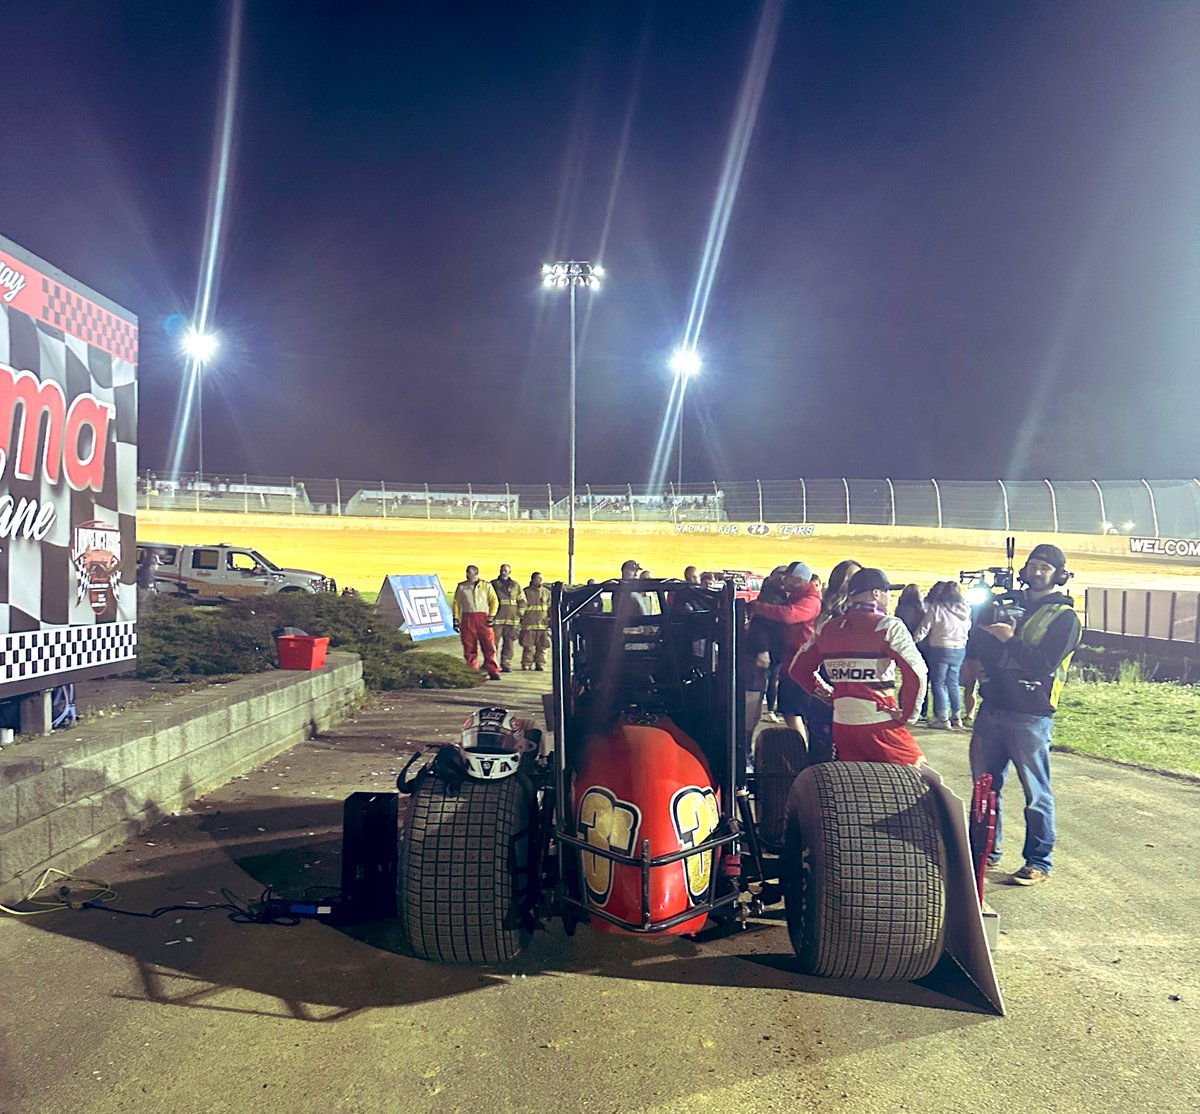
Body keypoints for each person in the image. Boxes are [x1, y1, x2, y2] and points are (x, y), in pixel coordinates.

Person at [966, 543, 1082, 886]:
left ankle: (1038, 861)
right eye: (1033, 564)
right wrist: (980, 662)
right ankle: (983, 853)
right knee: (984, 789)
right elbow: (980, 643)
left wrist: (1009, 639)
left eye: (1045, 567)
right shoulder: (1005, 606)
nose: (1037, 570)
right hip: (993, 708)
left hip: (1031, 715)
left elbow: (1042, 663)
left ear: (1059, 574)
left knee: (1036, 792)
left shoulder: (1065, 618)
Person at [789, 567, 927, 766]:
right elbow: (917, 673)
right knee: (923, 781)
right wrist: (909, 715)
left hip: (842, 724)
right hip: (879, 724)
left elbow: (798, 669)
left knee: (857, 786)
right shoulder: (889, 626)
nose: (889, 598)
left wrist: (826, 694)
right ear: (876, 594)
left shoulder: (827, 628)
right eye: (887, 593)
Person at [747, 561, 821, 742]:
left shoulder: (810, 600)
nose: (784, 581)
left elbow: (789, 615)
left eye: (788, 578)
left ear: (798, 580)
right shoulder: (796, 596)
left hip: (801, 662)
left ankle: (801, 754)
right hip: (791, 661)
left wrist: (758, 607)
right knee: (791, 712)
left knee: (794, 713)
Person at [914, 581, 972, 729]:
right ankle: (956, 716)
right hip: (959, 649)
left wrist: (913, 641)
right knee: (952, 683)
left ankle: (942, 718)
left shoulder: (937, 608)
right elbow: (968, 628)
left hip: (940, 648)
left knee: (939, 683)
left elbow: (924, 628)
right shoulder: (965, 609)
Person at [452, 565, 501, 680]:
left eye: (469, 572)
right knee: (469, 645)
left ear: (476, 573)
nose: (467, 574)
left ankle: (492, 669)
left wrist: (492, 615)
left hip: (483, 617)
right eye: (467, 572)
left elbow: (494, 601)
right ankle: (472, 669)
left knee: (489, 645)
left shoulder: (486, 586)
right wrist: (456, 618)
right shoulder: (462, 587)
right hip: (468, 617)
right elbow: (456, 603)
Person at [490, 563, 525, 673]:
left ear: (510, 572)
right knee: (493, 643)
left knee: (509, 644)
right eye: (502, 570)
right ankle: (492, 664)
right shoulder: (493, 584)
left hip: (512, 619)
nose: (503, 571)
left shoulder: (515, 585)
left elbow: (522, 600)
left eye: (506, 570)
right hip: (497, 619)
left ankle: (506, 664)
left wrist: (520, 613)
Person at [520, 571, 552, 670]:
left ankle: (541, 664)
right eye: (538, 578)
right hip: (529, 624)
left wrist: (550, 619)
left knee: (542, 647)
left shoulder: (546, 592)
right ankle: (527, 663)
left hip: (543, 625)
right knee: (528, 646)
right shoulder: (526, 592)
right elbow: (521, 606)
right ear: (533, 579)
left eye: (541, 578)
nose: (540, 580)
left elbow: (550, 607)